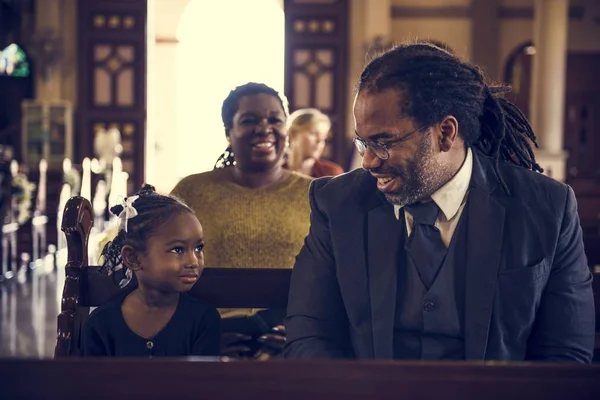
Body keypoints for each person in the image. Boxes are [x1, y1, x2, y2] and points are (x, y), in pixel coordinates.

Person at [284, 42, 595, 362]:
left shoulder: (547, 208)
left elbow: (566, 353)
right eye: (363, 142)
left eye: (384, 142)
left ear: (445, 133)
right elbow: (310, 334)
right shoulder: (336, 203)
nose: (368, 162)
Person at [171, 82, 312, 338]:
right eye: (249, 120)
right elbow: (165, 266)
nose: (264, 128)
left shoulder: (315, 195)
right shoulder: (191, 191)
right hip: (207, 337)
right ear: (229, 131)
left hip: (294, 340)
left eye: (274, 120)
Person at [82, 185, 221, 357]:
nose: (193, 261)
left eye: (198, 248)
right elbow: (90, 382)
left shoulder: (204, 320)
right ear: (134, 258)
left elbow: (204, 382)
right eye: (178, 250)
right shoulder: (101, 324)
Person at [285, 108, 344, 178]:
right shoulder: (274, 172)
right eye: (313, 133)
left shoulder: (331, 173)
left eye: (324, 137)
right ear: (293, 134)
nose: (320, 140)